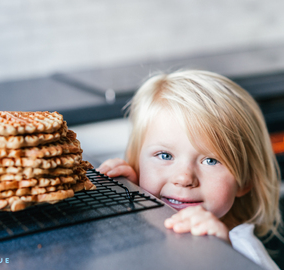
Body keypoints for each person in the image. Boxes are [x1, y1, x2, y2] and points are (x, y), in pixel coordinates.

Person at [97, 69, 282, 270]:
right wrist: (130, 197)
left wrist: (224, 259)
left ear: (245, 181)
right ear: (138, 164)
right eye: (165, 156)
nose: (184, 178)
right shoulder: (149, 220)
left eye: (211, 161)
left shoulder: (245, 252)